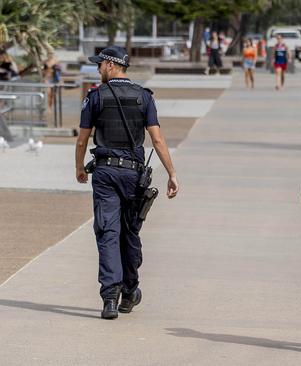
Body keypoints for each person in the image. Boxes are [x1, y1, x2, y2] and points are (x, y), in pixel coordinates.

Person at [75, 46, 179, 319]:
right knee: (129, 233)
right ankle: (130, 290)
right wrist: (171, 173)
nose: (98, 69)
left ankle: (110, 297)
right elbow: (157, 139)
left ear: (111, 65)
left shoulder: (95, 97)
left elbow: (83, 138)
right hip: (133, 175)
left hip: (106, 174)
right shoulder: (144, 97)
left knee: (108, 233)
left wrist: (78, 168)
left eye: (100, 65)